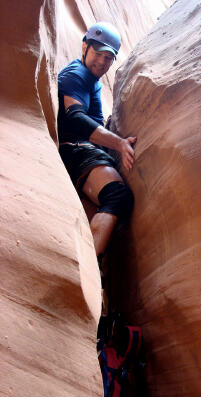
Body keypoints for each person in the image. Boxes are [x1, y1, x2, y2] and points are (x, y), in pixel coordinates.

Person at [57, 21, 136, 270]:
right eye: (98, 54)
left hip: (86, 153)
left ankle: (94, 279)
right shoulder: (76, 74)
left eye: (108, 58)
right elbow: (76, 118)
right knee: (117, 195)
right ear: (85, 46)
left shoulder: (92, 81)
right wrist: (119, 144)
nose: (102, 62)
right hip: (77, 151)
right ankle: (87, 272)